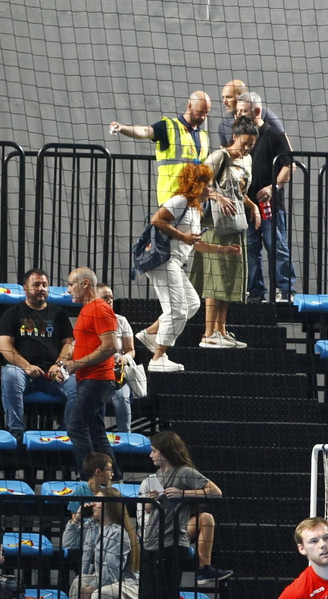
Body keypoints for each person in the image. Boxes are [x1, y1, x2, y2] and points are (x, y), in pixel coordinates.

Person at [139, 163, 241, 371]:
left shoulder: (195, 208)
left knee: (192, 303)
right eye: (208, 186)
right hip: (164, 261)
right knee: (176, 309)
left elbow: (196, 244)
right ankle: (158, 358)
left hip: (175, 263)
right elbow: (157, 220)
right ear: (196, 185)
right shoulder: (181, 201)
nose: (211, 190)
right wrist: (182, 236)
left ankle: (150, 334)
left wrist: (224, 250)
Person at [138, 431, 228, 599]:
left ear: (165, 452)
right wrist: (151, 501)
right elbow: (150, 510)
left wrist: (183, 493)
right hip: (151, 541)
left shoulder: (185, 472)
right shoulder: (157, 475)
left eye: (154, 451)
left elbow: (215, 491)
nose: (151, 455)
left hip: (171, 542)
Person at [193, 117, 259, 349]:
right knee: (215, 278)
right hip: (216, 226)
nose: (247, 147)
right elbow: (197, 182)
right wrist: (216, 197)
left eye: (252, 144)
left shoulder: (248, 160)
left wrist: (254, 207)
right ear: (235, 137)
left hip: (235, 225)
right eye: (245, 142)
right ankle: (208, 332)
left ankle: (221, 330)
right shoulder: (219, 157)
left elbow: (241, 193)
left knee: (229, 280)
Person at [0, 268, 75, 436]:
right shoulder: (12, 313)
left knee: (78, 385)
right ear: (25, 288)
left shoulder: (59, 314)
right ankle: (16, 433)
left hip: (53, 373)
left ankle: (67, 433)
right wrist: (26, 366)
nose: (42, 288)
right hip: (22, 371)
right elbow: (5, 346)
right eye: (37, 284)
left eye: (45, 285)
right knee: (10, 375)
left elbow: (69, 343)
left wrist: (58, 364)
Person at [57, 268, 118, 477]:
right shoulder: (87, 310)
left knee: (75, 425)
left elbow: (110, 346)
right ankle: (114, 479)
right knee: (96, 432)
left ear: (84, 284)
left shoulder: (99, 309)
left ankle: (92, 480)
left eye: (71, 284)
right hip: (91, 379)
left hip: (97, 379)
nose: (68, 290)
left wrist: (78, 364)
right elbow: (87, 346)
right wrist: (65, 363)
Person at [109, 91, 212, 206]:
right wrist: (122, 128)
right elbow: (145, 131)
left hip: (195, 201)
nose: (203, 117)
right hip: (172, 199)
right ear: (189, 106)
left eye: (206, 114)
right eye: (200, 112)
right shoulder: (168, 126)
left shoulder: (204, 137)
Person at [242, 93, 296, 303]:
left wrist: (273, 188)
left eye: (243, 111)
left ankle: (286, 290)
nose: (238, 115)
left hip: (269, 205)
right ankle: (255, 292)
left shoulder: (273, 136)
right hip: (248, 206)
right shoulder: (242, 137)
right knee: (250, 248)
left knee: (277, 245)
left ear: (256, 111)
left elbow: (290, 166)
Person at [62, 484, 139, 599]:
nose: (93, 504)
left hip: (126, 584)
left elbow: (112, 571)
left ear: (108, 506)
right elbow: (68, 543)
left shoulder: (118, 533)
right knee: (77, 585)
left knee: (99, 594)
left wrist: (91, 587)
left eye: (97, 501)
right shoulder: (93, 526)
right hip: (106, 579)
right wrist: (78, 517)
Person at [96, 286, 137, 431]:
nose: (110, 301)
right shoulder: (89, 321)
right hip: (96, 372)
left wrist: (125, 358)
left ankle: (125, 436)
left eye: (111, 298)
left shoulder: (121, 321)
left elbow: (131, 350)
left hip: (117, 372)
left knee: (123, 399)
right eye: (105, 298)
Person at [216, 79, 285, 146]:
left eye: (229, 97)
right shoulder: (224, 124)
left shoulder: (266, 115)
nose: (224, 102)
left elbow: (283, 142)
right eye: (223, 97)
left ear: (242, 96)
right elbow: (224, 150)